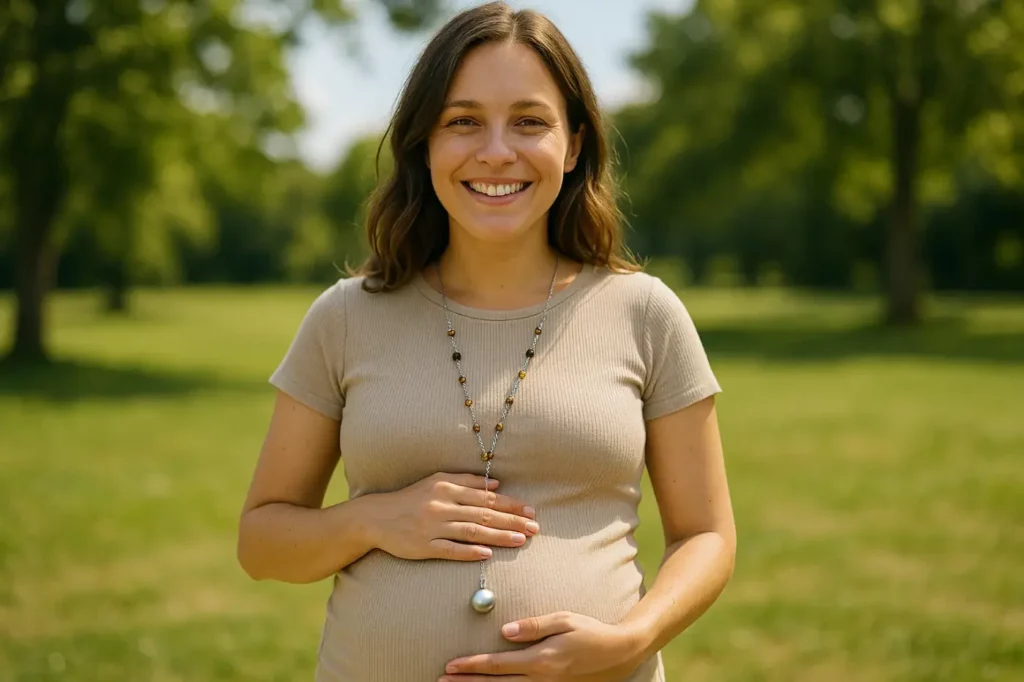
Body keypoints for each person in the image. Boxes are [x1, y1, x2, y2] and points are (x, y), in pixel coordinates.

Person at [237, 2, 736, 680]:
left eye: (529, 122)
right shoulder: (346, 317)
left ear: (575, 143)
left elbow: (707, 535)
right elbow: (262, 542)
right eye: (463, 121)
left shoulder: (645, 312)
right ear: (425, 142)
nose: (496, 151)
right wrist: (375, 520)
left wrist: (630, 640)